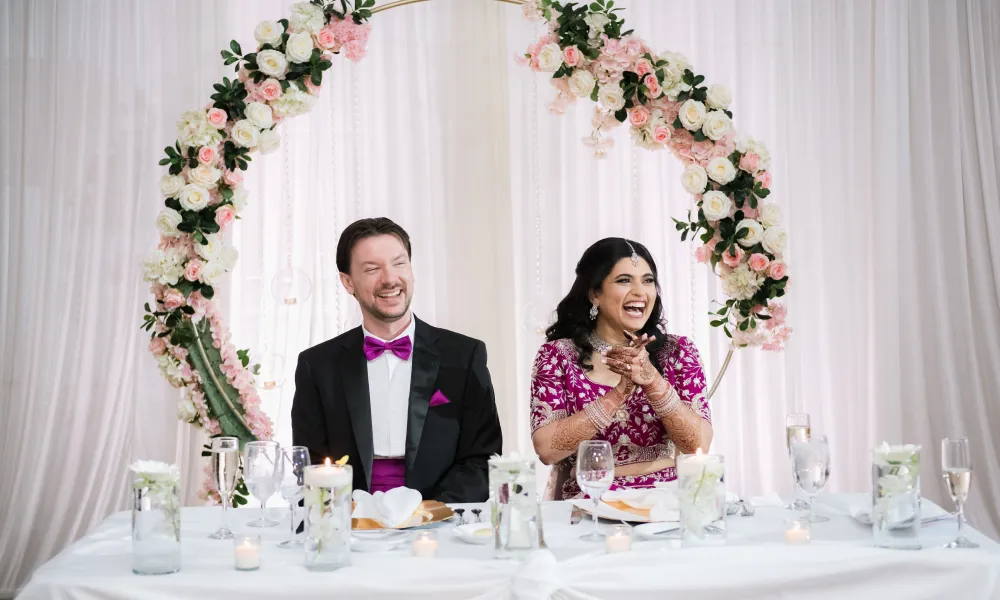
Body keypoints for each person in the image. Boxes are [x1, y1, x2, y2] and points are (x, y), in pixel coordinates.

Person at [291, 217, 502, 503]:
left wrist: (427, 512)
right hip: (351, 522)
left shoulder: (464, 355)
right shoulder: (317, 365)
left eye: (399, 263)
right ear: (348, 282)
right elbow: (309, 464)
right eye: (372, 269)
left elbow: (482, 457)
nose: (390, 278)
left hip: (439, 521)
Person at [530, 237, 713, 500]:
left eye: (648, 280)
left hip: (665, 503)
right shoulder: (557, 357)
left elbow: (698, 445)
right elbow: (547, 449)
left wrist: (653, 382)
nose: (640, 292)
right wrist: (618, 394)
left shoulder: (677, 351)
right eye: (625, 280)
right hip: (589, 506)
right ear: (594, 293)